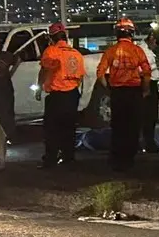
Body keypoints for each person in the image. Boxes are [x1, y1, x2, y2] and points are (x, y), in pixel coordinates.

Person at [97, 17, 150, 171]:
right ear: (131, 33)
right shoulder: (137, 51)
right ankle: (129, 158)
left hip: (117, 93)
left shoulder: (111, 51)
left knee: (118, 126)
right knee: (133, 126)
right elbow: (146, 73)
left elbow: (100, 73)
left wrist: (109, 89)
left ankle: (117, 158)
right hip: (134, 92)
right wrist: (145, 90)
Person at [38, 22, 86, 168]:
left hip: (57, 95)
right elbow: (80, 76)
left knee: (52, 129)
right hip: (72, 95)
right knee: (69, 128)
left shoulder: (51, 51)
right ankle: (68, 157)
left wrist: (40, 87)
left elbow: (45, 70)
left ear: (51, 37)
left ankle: (51, 159)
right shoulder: (76, 54)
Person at [140, 32, 159, 154]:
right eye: (156, 43)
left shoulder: (144, 49)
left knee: (147, 117)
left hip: (147, 84)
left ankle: (147, 142)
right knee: (149, 116)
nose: (156, 46)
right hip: (148, 84)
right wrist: (146, 89)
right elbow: (146, 73)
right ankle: (149, 143)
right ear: (151, 39)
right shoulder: (145, 52)